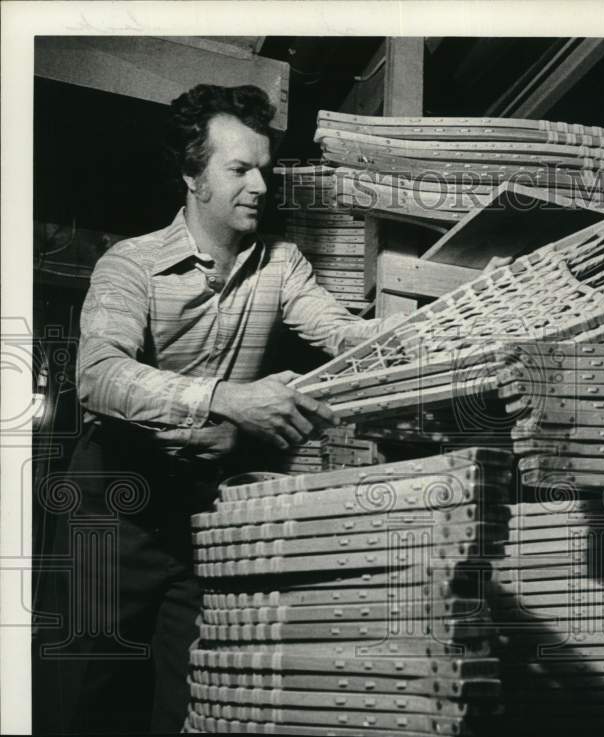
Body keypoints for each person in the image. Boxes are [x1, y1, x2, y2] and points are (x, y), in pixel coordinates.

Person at [43, 84, 401, 734]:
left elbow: (343, 331)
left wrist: (427, 331)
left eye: (264, 167)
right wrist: (226, 401)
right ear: (191, 174)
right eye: (239, 169)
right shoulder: (131, 264)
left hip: (195, 514)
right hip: (112, 502)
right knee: (83, 695)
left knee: (194, 699)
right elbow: (97, 377)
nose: (260, 185)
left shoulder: (281, 264)